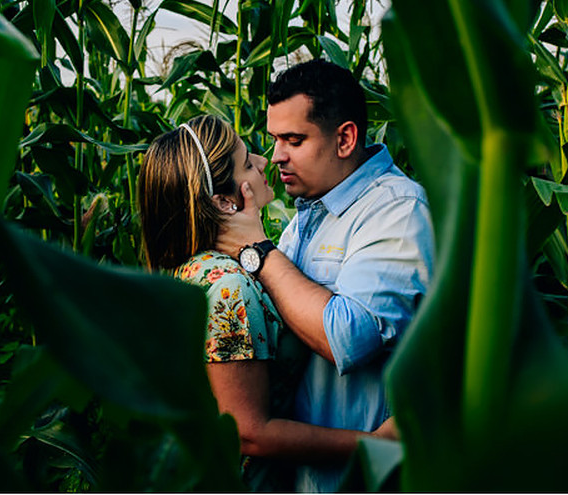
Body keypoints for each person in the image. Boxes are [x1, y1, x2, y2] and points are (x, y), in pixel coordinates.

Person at [138, 114, 396, 492]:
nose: (264, 161)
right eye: (246, 162)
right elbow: (249, 433)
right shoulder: (228, 288)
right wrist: (376, 445)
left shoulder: (191, 268)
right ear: (225, 202)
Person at [216, 59, 435, 492]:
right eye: (276, 138)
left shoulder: (398, 211)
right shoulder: (307, 215)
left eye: (293, 140)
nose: (276, 155)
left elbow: (346, 336)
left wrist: (259, 251)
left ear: (345, 138)